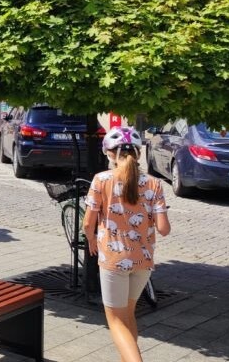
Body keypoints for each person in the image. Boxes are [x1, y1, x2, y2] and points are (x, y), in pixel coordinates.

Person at [84, 126, 171, 362]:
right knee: (128, 316)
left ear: (110, 154)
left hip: (113, 261)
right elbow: (164, 229)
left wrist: (92, 239)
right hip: (143, 261)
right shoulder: (155, 184)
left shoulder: (101, 180)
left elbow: (87, 223)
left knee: (115, 321)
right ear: (138, 153)